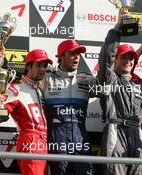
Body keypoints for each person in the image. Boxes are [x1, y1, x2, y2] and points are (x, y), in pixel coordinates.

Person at [97, 9, 142, 174]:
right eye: (123, 58)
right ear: (116, 60)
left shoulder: (140, 84)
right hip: (115, 132)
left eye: (131, 58)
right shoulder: (109, 79)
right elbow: (106, 56)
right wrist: (117, 28)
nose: (128, 61)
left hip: (137, 132)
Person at [0, 49, 52, 175]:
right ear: (28, 66)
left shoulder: (40, 89)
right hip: (30, 141)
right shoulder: (15, 89)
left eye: (45, 66)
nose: (43, 69)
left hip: (46, 142)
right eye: (38, 65)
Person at [42, 39, 96, 175]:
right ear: (60, 56)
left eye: (78, 53)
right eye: (72, 53)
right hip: (56, 137)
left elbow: (109, 85)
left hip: (80, 137)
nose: (77, 56)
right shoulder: (46, 77)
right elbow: (26, 79)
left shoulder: (87, 79)